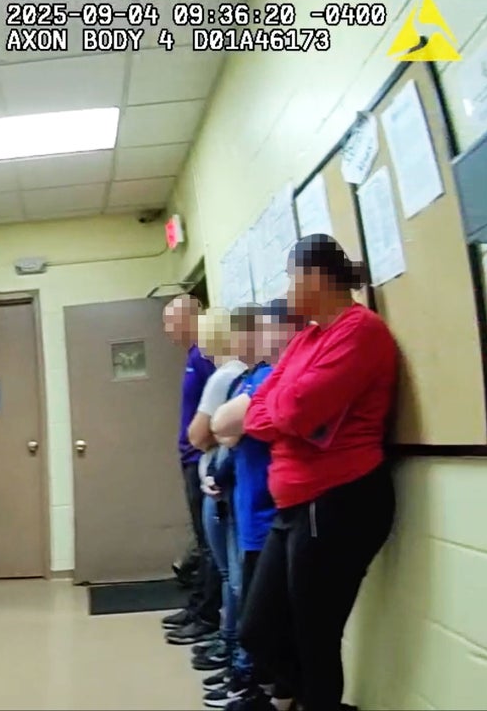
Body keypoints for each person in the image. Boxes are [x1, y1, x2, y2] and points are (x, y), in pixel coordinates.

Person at [239, 234, 398, 711]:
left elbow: (292, 411)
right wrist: (285, 413)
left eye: (291, 277)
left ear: (313, 277)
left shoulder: (360, 331)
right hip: (293, 506)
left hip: (338, 501)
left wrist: (284, 413)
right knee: (259, 632)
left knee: (315, 636)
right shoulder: (308, 338)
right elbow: (259, 413)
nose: (288, 289)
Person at [208, 299, 299, 711]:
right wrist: (235, 430)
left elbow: (226, 427)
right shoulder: (256, 376)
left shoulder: (276, 377)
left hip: (271, 515)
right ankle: (266, 689)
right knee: (258, 620)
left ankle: (268, 690)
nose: (260, 338)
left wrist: (237, 428)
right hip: (249, 512)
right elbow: (221, 430)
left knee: (265, 623)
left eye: (268, 329)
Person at [186, 308, 249, 674]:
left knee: (231, 574)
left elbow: (198, 434)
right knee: (235, 573)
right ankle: (231, 645)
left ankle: (233, 652)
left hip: (218, 483)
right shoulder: (243, 373)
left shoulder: (224, 374)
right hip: (232, 480)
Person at [161, 295, 223, 646]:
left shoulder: (206, 355)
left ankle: (206, 616)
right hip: (189, 459)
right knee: (203, 543)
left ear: (189, 318)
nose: (168, 331)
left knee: (211, 547)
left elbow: (221, 406)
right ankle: (197, 606)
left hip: (203, 459)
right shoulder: (193, 355)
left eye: (171, 322)